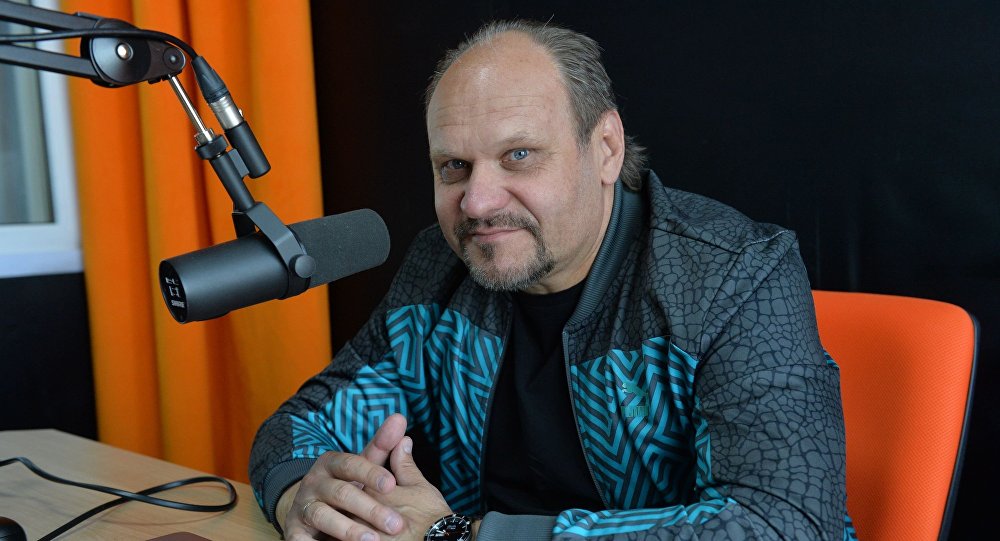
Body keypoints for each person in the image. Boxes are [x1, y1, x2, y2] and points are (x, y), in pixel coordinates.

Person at [250, 19, 856, 541]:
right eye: (454, 166)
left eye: (519, 155)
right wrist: (304, 493)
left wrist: (469, 535)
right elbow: (298, 426)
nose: (477, 202)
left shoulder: (735, 275)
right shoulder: (441, 265)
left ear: (606, 148)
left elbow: (787, 524)